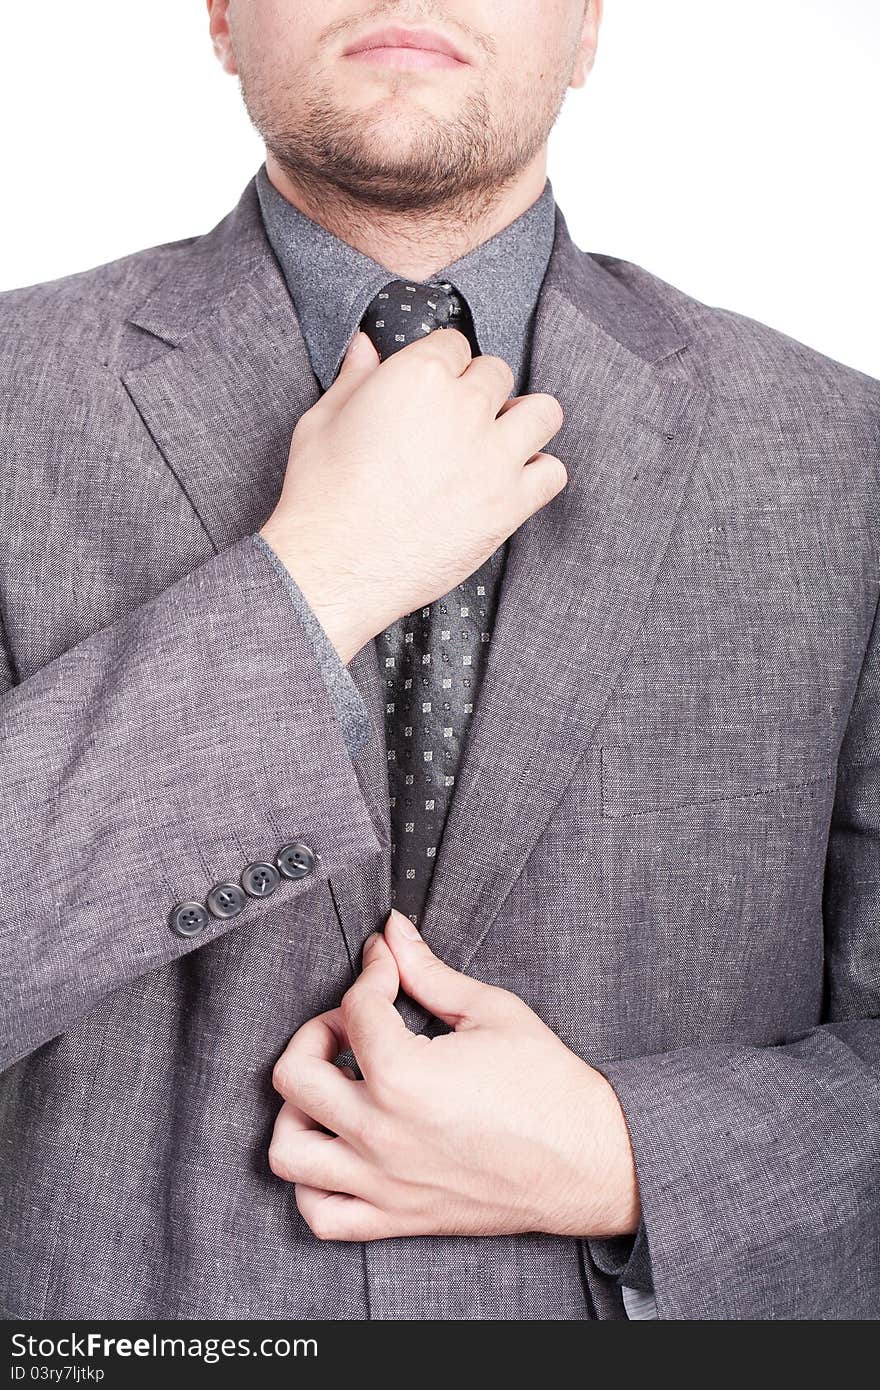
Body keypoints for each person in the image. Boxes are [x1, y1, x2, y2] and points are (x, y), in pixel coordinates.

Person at [0, 0, 877, 1322]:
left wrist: (632, 1157)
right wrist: (310, 584)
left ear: (587, 29)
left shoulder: (842, 460)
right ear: (224, 17)